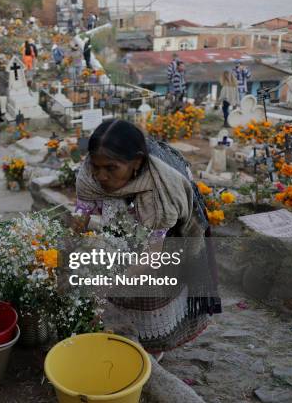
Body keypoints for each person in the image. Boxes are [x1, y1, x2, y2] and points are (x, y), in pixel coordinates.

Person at [74, 119, 220, 355]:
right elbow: (80, 216)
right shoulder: (89, 177)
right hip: (121, 233)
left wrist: (112, 283)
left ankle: (151, 351)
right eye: (96, 166)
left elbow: (152, 255)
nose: (101, 176)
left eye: (111, 168)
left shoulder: (161, 192)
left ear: (137, 162)